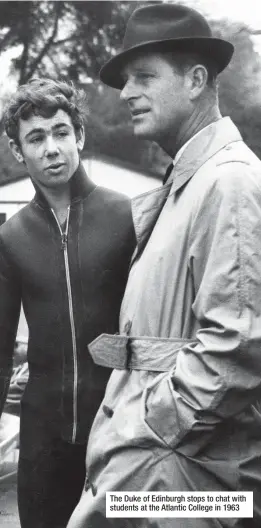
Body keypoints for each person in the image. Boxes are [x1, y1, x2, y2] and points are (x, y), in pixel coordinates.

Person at [67, 4, 261, 528]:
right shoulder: (188, 182)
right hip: (160, 469)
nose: (126, 92)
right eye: (126, 80)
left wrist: (144, 428)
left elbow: (237, 346)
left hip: (182, 482)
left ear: (197, 79)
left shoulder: (230, 182)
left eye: (144, 77)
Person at [0, 78, 135, 528]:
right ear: (19, 152)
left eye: (60, 132)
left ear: (80, 135)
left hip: (119, 429)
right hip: (43, 438)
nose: (51, 148)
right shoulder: (11, 236)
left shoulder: (126, 216)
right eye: (35, 138)